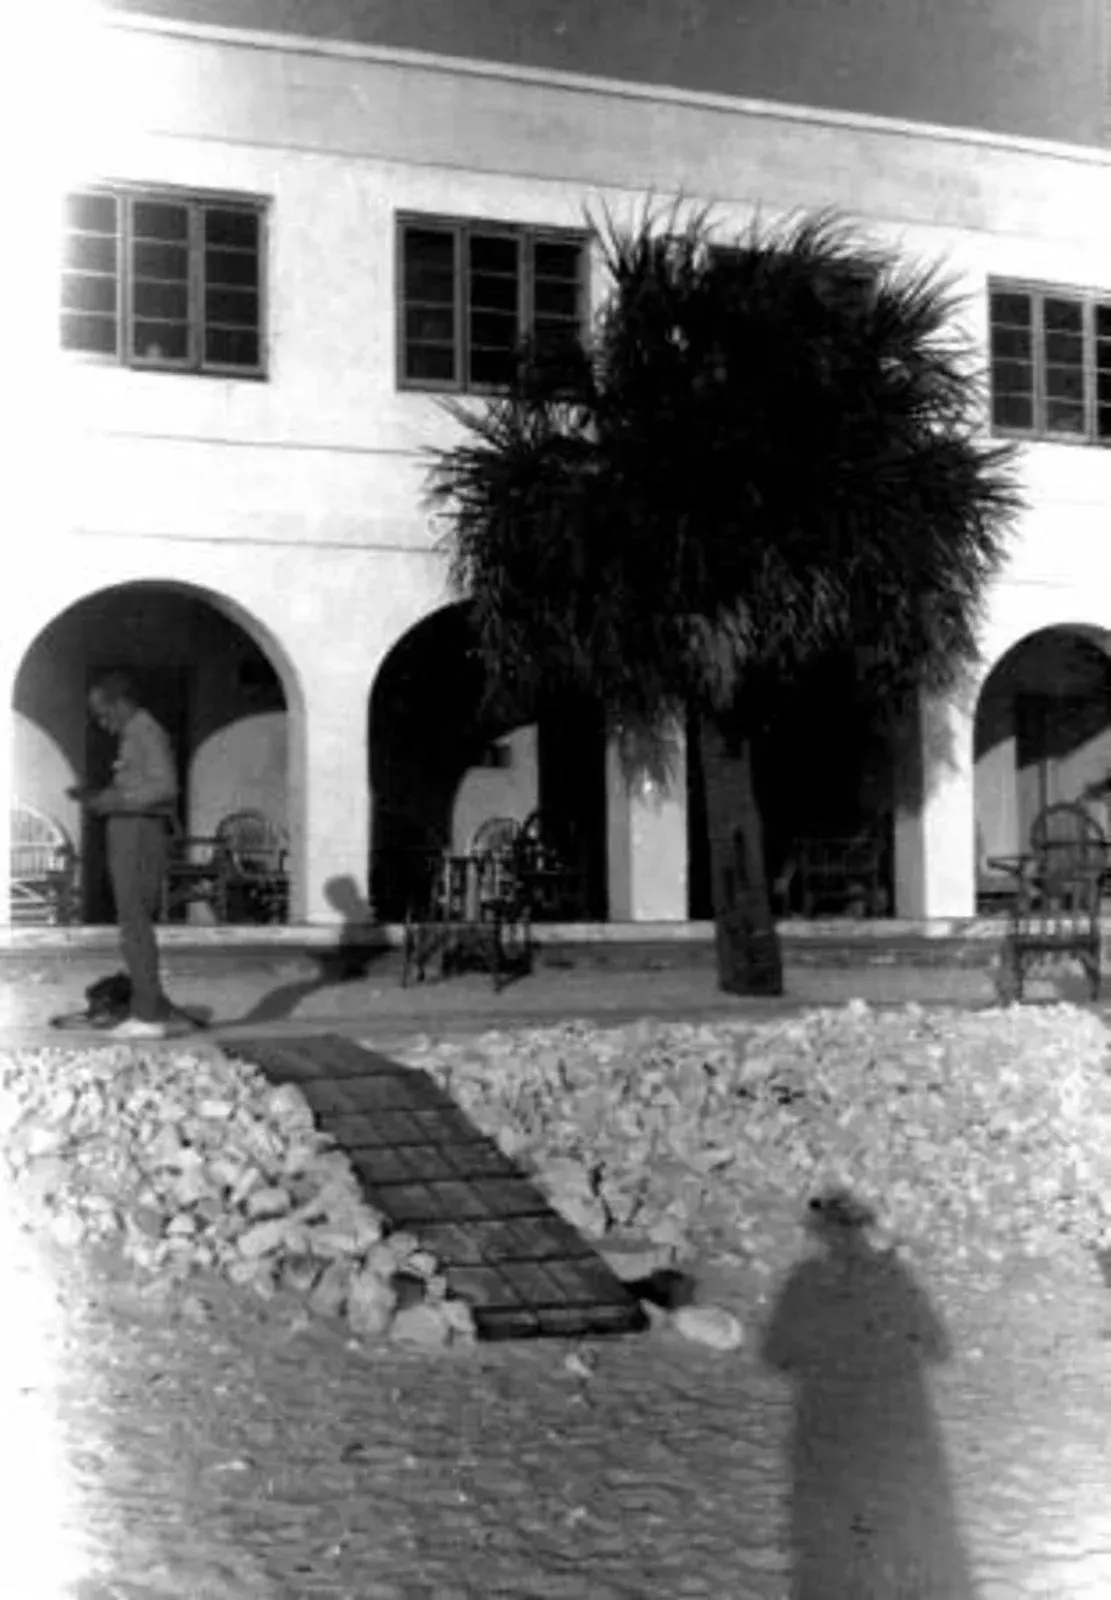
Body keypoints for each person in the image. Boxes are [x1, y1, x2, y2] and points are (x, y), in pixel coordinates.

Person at [73, 672, 178, 1038]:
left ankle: (148, 1016)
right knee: (130, 923)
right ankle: (154, 1003)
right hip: (128, 829)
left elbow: (165, 787)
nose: (103, 724)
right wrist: (103, 799)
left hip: (138, 832)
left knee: (134, 924)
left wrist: (115, 801)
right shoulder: (135, 733)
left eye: (104, 713)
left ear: (121, 703)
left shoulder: (144, 730)